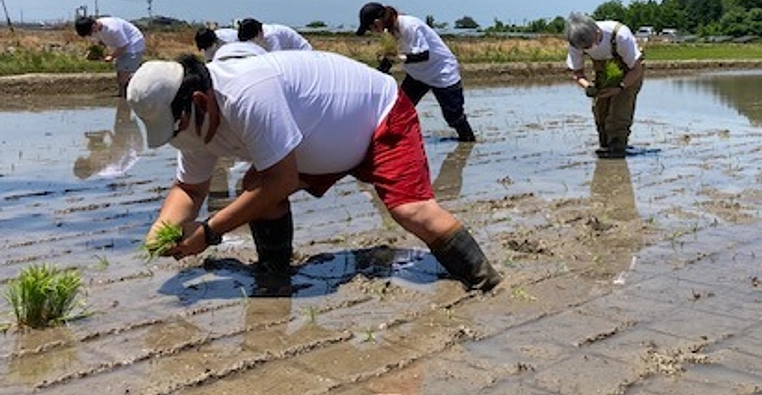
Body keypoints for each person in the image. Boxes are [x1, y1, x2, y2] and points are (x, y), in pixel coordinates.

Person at [125, 50, 500, 292]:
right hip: (321, 142)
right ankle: (275, 275)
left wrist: (207, 233)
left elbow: (282, 180)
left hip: (378, 117)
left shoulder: (249, 95)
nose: (177, 140)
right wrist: (163, 230)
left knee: (411, 210)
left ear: (198, 102)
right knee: (255, 183)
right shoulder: (193, 125)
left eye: (174, 130)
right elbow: (189, 190)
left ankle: (485, 281)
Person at [356, 2, 476, 142]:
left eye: (370, 28)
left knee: (453, 117)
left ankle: (468, 142)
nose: (372, 32)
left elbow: (424, 55)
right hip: (417, 76)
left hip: (442, 72)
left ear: (377, 23)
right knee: (399, 110)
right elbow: (389, 58)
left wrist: (400, 58)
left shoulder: (410, 26)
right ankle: (397, 142)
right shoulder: (388, 33)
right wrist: (378, 74)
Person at [564, 12, 645, 159]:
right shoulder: (576, 42)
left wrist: (620, 87)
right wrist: (588, 86)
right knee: (599, 111)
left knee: (620, 112)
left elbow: (636, 69)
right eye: (585, 48)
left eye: (590, 44)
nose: (588, 49)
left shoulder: (620, 35)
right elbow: (577, 73)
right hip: (604, 73)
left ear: (597, 31)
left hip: (629, 72)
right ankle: (605, 145)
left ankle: (618, 149)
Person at [74, 15, 146, 96]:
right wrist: (93, 52)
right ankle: (125, 94)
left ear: (94, 25)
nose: (91, 35)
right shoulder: (95, 30)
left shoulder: (113, 29)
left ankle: (124, 98)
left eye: (90, 33)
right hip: (121, 46)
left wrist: (111, 56)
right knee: (120, 71)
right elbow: (101, 42)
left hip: (133, 45)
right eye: (89, 34)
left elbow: (123, 46)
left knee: (123, 74)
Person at [236, 18, 313, 52]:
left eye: (251, 39)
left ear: (258, 34)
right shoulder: (260, 34)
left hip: (303, 52)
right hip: (290, 53)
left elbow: (276, 59)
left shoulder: (271, 35)